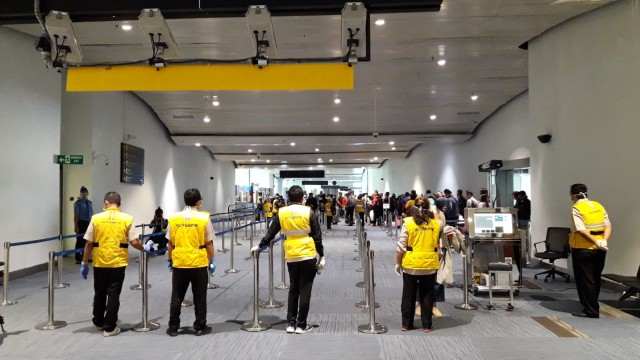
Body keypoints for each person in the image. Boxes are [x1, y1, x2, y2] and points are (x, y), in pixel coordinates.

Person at [253, 185, 325, 334]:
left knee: (293, 289)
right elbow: (317, 236)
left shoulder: (282, 212)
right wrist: (321, 255)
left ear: (289, 198)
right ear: (302, 197)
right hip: (307, 254)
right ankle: (301, 324)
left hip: (291, 254)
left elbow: (271, 233)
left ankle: (290, 323)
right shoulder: (308, 212)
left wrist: (260, 246)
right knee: (305, 289)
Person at [80, 191, 150, 337]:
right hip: (118, 262)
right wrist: (144, 248)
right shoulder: (127, 219)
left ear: (106, 202)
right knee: (113, 294)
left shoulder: (96, 218)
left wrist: (84, 263)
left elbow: (88, 243)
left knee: (99, 292)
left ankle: (98, 320)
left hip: (100, 262)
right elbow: (134, 242)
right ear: (119, 204)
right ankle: (109, 327)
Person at [165, 188, 216, 336]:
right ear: (199, 202)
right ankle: (200, 326)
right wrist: (211, 260)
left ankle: (173, 327)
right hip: (198, 262)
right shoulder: (203, 218)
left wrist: (170, 259)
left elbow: (170, 243)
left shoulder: (174, 218)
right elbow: (209, 243)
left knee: (177, 295)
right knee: (199, 296)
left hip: (179, 261)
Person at [395, 204, 441, 332]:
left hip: (411, 265)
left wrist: (398, 263)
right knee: (427, 295)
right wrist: (434, 211)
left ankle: (406, 324)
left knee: (408, 295)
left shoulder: (408, 223)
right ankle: (427, 325)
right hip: (429, 265)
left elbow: (401, 246)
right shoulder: (436, 224)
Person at [569, 183, 611, 319]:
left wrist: (594, 241)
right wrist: (603, 240)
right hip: (600, 249)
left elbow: (581, 230)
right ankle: (593, 304)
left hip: (583, 249)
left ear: (573, 195)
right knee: (595, 278)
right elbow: (608, 225)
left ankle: (591, 310)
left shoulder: (577, 208)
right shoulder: (598, 206)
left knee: (585, 279)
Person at [74, 186, 94, 264]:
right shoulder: (78, 203)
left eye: (85, 192)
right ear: (80, 193)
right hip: (81, 222)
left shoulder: (89, 203)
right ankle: (78, 257)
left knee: (87, 240)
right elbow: (76, 215)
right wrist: (76, 226)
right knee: (79, 240)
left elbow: (91, 214)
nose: (84, 194)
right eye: (82, 192)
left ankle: (85, 257)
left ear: (87, 193)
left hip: (88, 223)